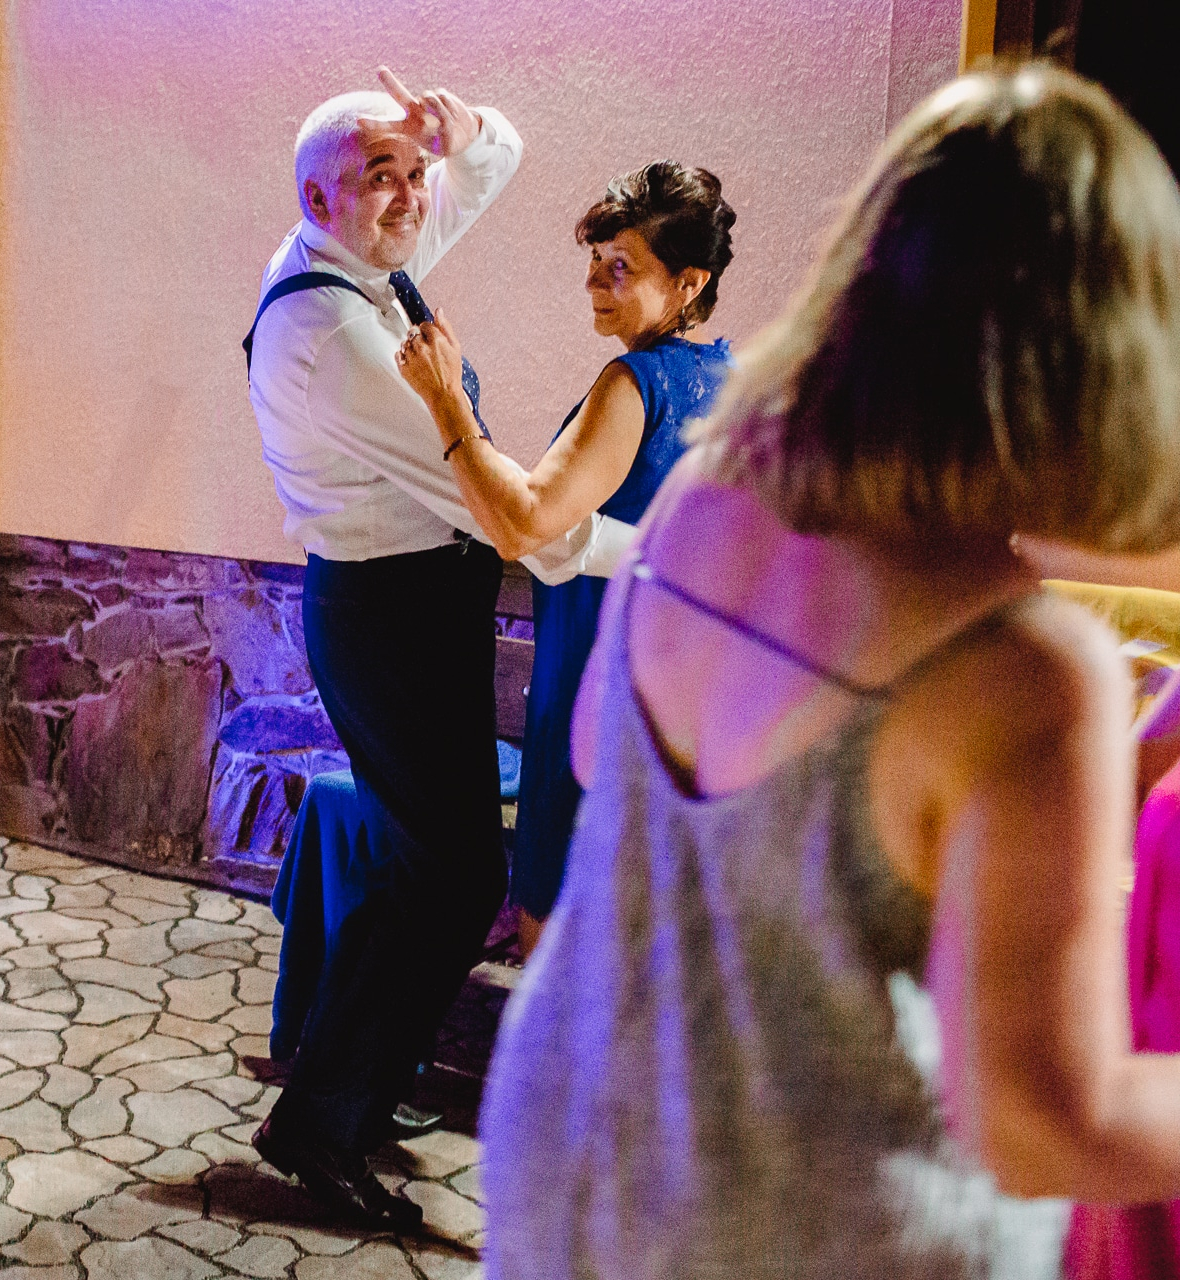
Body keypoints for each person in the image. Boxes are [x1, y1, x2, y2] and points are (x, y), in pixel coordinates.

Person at [482, 64, 1180, 1276]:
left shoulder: (708, 494)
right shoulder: (1025, 667)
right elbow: (1039, 1123)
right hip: (812, 1221)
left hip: (580, 1146)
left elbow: (613, 755)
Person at [243, 67, 630, 1228]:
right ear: (319, 196)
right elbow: (513, 518)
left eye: (417, 174)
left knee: (428, 866)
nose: (414, 195)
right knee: (458, 875)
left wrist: (454, 132)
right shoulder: (334, 333)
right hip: (391, 617)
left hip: (407, 605)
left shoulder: (353, 255)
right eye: (385, 176)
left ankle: (349, 1084)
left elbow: (489, 163)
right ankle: (322, 1119)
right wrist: (661, 550)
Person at [398, 160, 735, 959]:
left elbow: (521, 525)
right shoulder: (728, 376)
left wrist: (445, 399)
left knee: (557, 931)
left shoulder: (634, 384)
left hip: (595, 676)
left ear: (688, 284)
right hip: (674, 688)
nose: (594, 283)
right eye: (594, 261)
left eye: (622, 267)